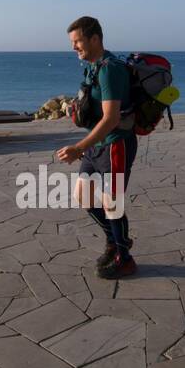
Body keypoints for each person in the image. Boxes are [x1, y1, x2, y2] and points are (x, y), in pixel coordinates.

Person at [55, 16, 138, 279]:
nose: (74, 47)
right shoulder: (93, 66)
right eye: (72, 42)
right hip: (96, 143)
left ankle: (124, 258)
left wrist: (78, 148)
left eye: (77, 41)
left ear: (94, 38)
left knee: (112, 203)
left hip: (115, 144)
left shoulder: (110, 69)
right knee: (85, 196)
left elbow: (112, 118)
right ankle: (115, 240)